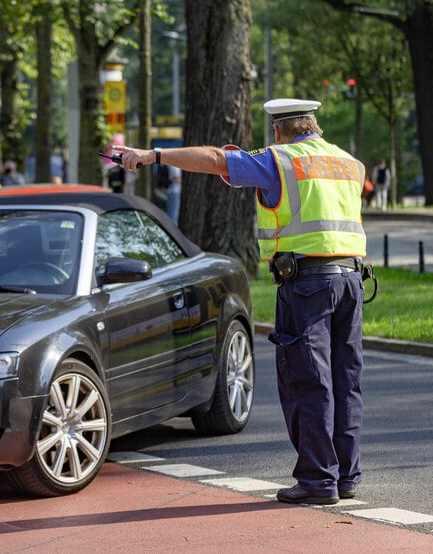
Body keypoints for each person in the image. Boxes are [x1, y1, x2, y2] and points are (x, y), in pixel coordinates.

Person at [115, 98, 366, 506]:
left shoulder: (280, 160)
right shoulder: (349, 163)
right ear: (314, 125)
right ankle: (346, 476)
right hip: (351, 282)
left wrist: (152, 155)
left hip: (307, 286)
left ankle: (319, 481)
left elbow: (216, 159)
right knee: (345, 380)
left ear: (279, 130)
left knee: (309, 380)